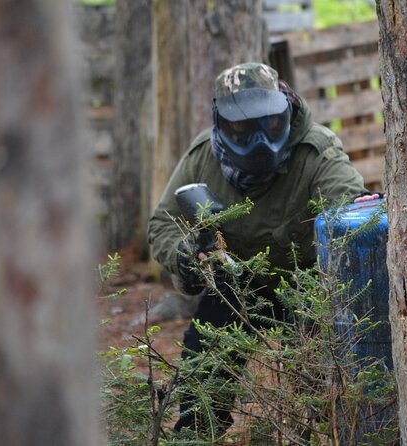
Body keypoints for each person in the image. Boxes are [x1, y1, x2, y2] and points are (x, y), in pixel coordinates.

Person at [147, 62, 379, 433]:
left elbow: (348, 211)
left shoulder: (315, 151)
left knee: (326, 391)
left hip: (305, 285)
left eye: (270, 123)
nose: (259, 139)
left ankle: (330, 435)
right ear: (222, 123)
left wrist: (357, 215)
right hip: (237, 283)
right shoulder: (203, 156)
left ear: (285, 108)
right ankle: (195, 435)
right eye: (242, 126)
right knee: (203, 375)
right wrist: (184, 255)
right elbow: (162, 222)